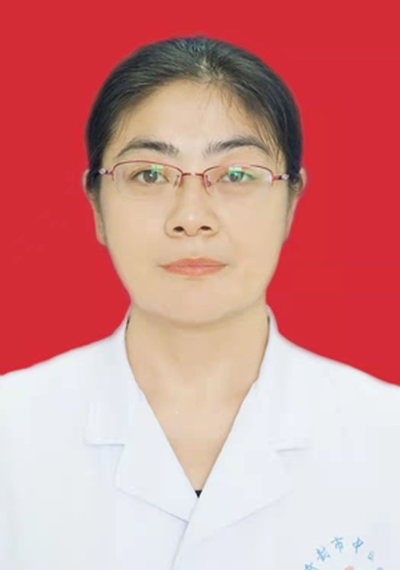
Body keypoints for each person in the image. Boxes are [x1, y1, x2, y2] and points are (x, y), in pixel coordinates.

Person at [1, 35, 399, 570]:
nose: (191, 217)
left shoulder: (387, 439)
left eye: (236, 175)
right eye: (149, 174)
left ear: (291, 202)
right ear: (96, 205)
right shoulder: (12, 432)